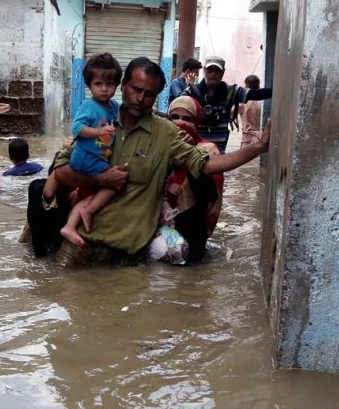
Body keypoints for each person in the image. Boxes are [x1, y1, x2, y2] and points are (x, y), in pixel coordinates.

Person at [27, 56, 271, 267]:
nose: (140, 98)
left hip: (130, 256)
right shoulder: (99, 119)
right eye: (135, 89)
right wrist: (101, 178)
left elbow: (204, 164)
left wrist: (258, 148)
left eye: (149, 94)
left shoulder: (166, 133)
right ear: (123, 86)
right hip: (80, 244)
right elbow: (61, 171)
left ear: (156, 97)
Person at [55, 53, 121, 247]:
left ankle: (71, 224)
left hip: (98, 158)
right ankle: (87, 213)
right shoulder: (88, 106)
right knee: (115, 182)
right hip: (86, 158)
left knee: (89, 195)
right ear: (89, 85)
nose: (104, 89)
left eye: (109, 84)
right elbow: (77, 129)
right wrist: (99, 131)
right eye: (99, 84)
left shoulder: (114, 106)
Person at [163, 96, 224, 261]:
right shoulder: (158, 145)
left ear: (196, 122)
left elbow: (210, 194)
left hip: (194, 226)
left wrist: (189, 154)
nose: (180, 122)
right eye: (174, 117)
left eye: (187, 118)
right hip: (161, 223)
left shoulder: (207, 149)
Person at [182, 55, 272, 153]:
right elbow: (177, 114)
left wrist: (279, 90)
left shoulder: (230, 92)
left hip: (219, 155)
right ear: (204, 70)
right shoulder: (190, 92)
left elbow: (255, 94)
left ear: (223, 72)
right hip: (194, 153)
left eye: (217, 71)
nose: (213, 73)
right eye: (210, 69)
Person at [238, 74, 263, 149]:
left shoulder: (242, 102)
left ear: (246, 87)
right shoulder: (264, 102)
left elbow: (230, 113)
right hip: (261, 138)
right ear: (258, 86)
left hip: (247, 139)